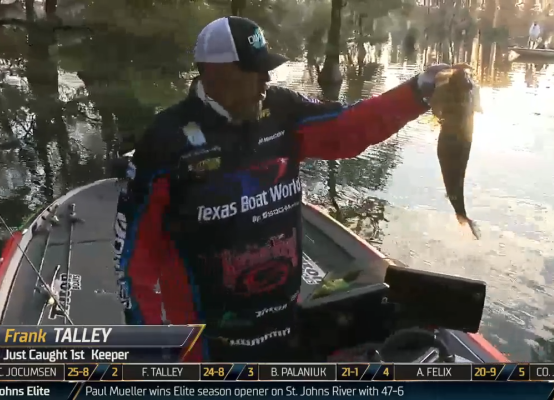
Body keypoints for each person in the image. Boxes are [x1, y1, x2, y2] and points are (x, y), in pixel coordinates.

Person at [113, 16, 473, 362]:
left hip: (284, 327)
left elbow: (348, 127)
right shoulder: (165, 142)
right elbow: (132, 262)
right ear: (217, 74)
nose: (266, 79)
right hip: (208, 348)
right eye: (256, 71)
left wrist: (417, 92)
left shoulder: (282, 110)